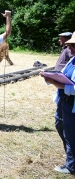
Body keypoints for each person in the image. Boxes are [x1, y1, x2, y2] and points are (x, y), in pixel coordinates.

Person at [40, 32, 75, 175]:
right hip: (64, 101)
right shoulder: (72, 59)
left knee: (70, 133)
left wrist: (55, 83)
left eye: (73, 46)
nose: (70, 49)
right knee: (60, 125)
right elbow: (64, 74)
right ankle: (70, 156)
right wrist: (51, 76)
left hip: (71, 103)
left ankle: (71, 166)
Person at [53, 32, 74, 155]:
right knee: (59, 121)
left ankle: (71, 159)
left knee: (66, 126)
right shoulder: (68, 51)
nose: (60, 40)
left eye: (61, 38)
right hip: (63, 90)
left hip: (67, 93)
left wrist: (57, 80)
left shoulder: (69, 52)